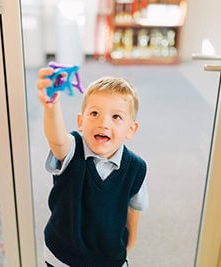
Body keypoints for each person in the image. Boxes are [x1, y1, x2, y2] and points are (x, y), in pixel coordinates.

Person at [37, 67, 149, 267]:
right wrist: (51, 106)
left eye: (116, 117)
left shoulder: (136, 168)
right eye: (95, 113)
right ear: (81, 121)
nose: (103, 123)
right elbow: (57, 139)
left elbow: (134, 209)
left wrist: (127, 247)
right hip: (62, 258)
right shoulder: (72, 149)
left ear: (131, 129)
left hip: (109, 260)